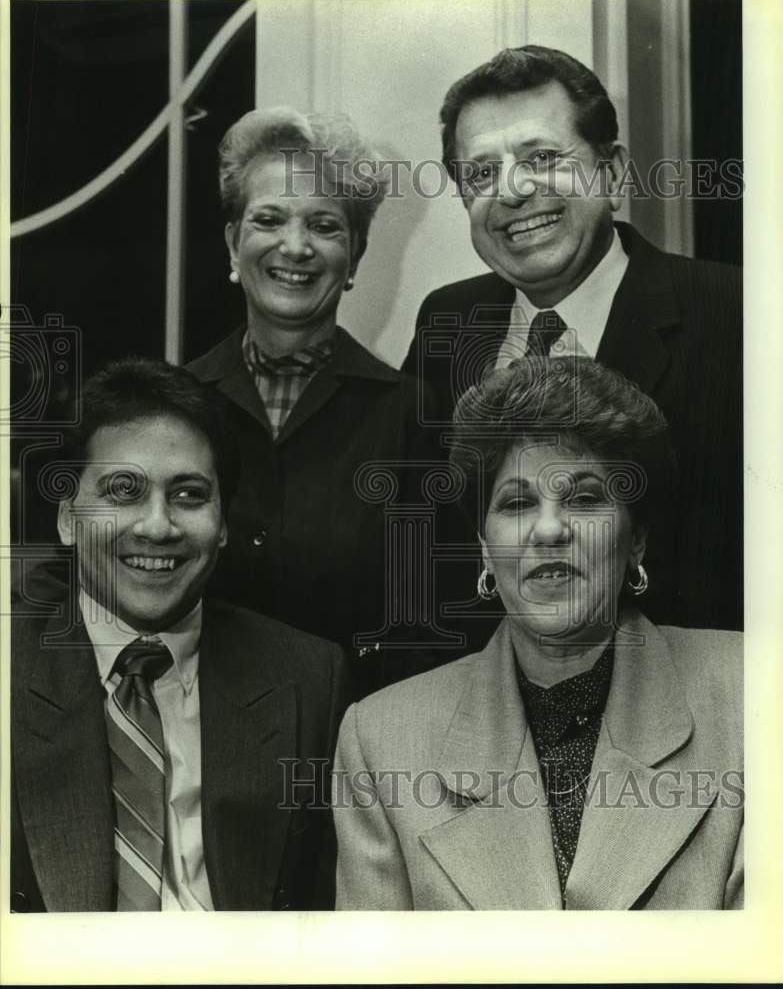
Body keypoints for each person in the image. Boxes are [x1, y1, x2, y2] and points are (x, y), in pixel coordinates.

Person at [333, 358, 743, 910]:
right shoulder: (380, 739)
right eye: (518, 503)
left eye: (585, 498)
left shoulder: (752, 692)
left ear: (637, 539)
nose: (549, 530)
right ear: (483, 546)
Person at [401, 45, 742, 633]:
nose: (512, 191)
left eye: (543, 157)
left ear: (611, 174)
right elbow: (417, 542)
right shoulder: (447, 321)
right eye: (481, 173)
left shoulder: (737, 313)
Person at [11, 358, 348, 912]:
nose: (158, 526)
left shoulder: (308, 681)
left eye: (189, 495)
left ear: (222, 528)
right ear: (69, 518)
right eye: (123, 490)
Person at [188, 106, 438, 694]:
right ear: (233, 243)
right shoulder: (175, 407)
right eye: (269, 219)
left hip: (355, 752)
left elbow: (430, 633)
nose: (294, 247)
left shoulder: (414, 418)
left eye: (324, 226)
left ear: (356, 253)